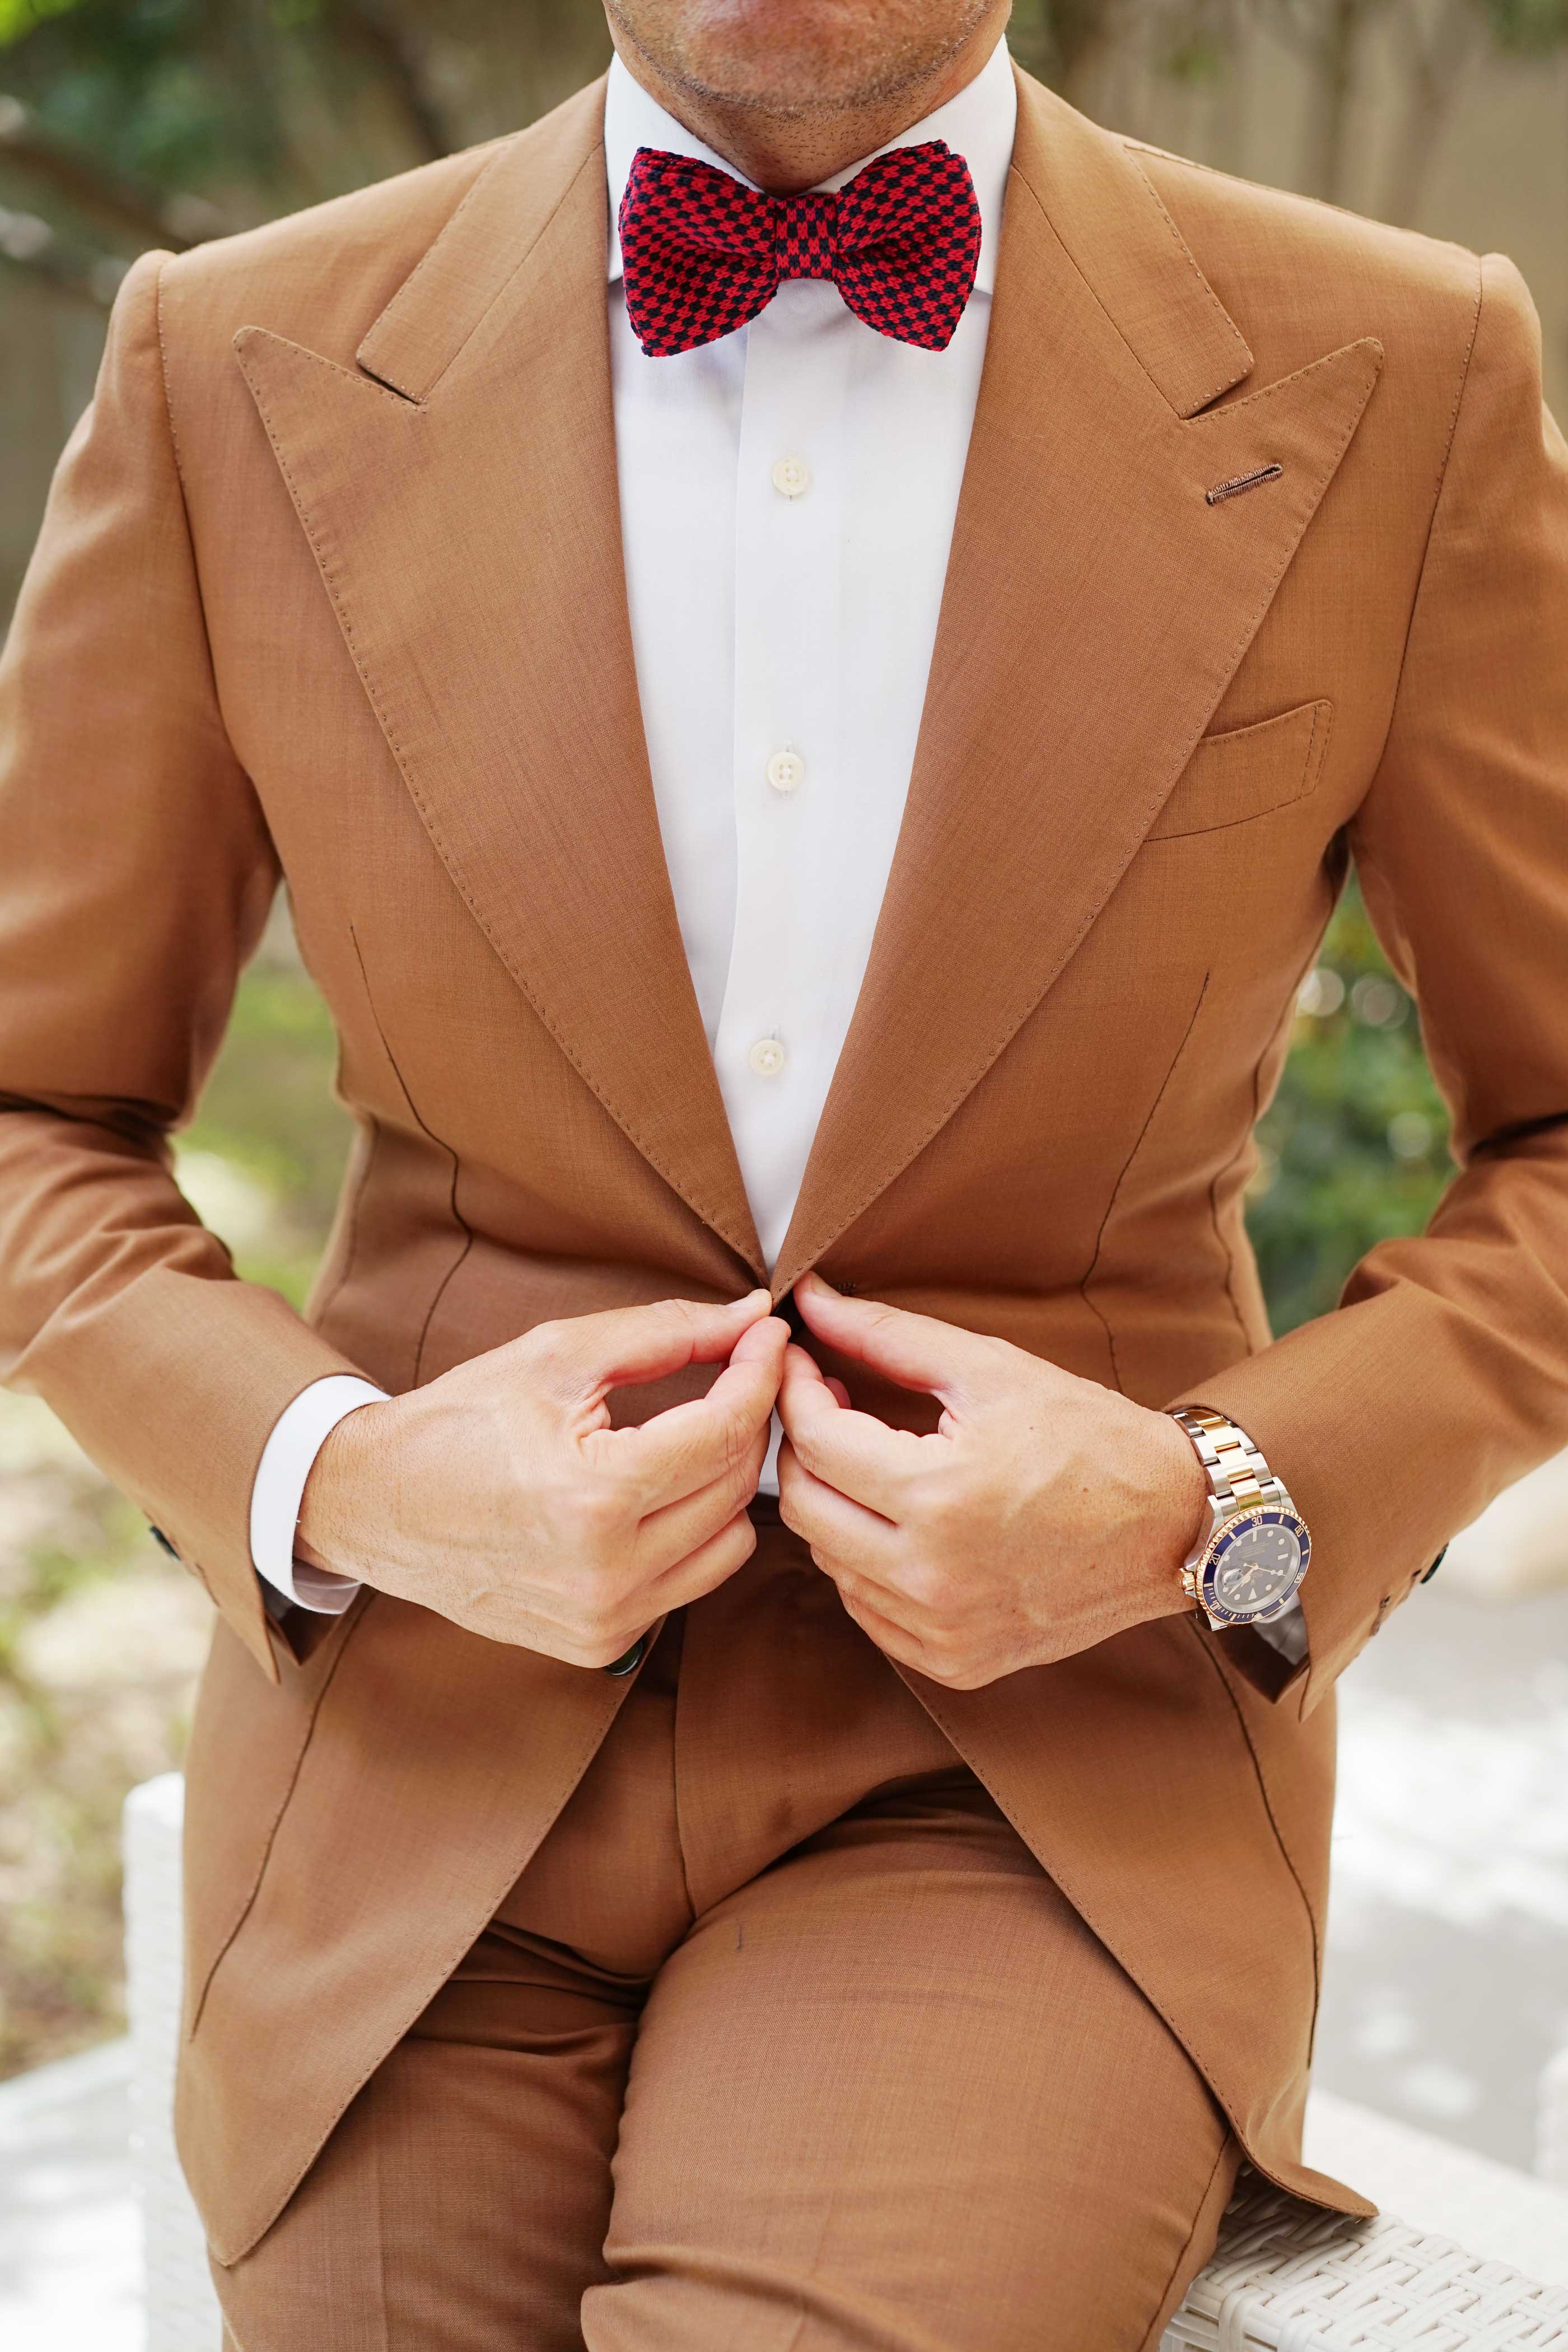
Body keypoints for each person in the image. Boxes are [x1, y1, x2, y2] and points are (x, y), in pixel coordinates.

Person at [2, 0, 1567, 2341]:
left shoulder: (1398, 360)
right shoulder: (228, 356)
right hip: (416, 1759)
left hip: (1030, 1768)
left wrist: (1204, 1493)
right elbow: (37, 1105)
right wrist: (337, 1477)